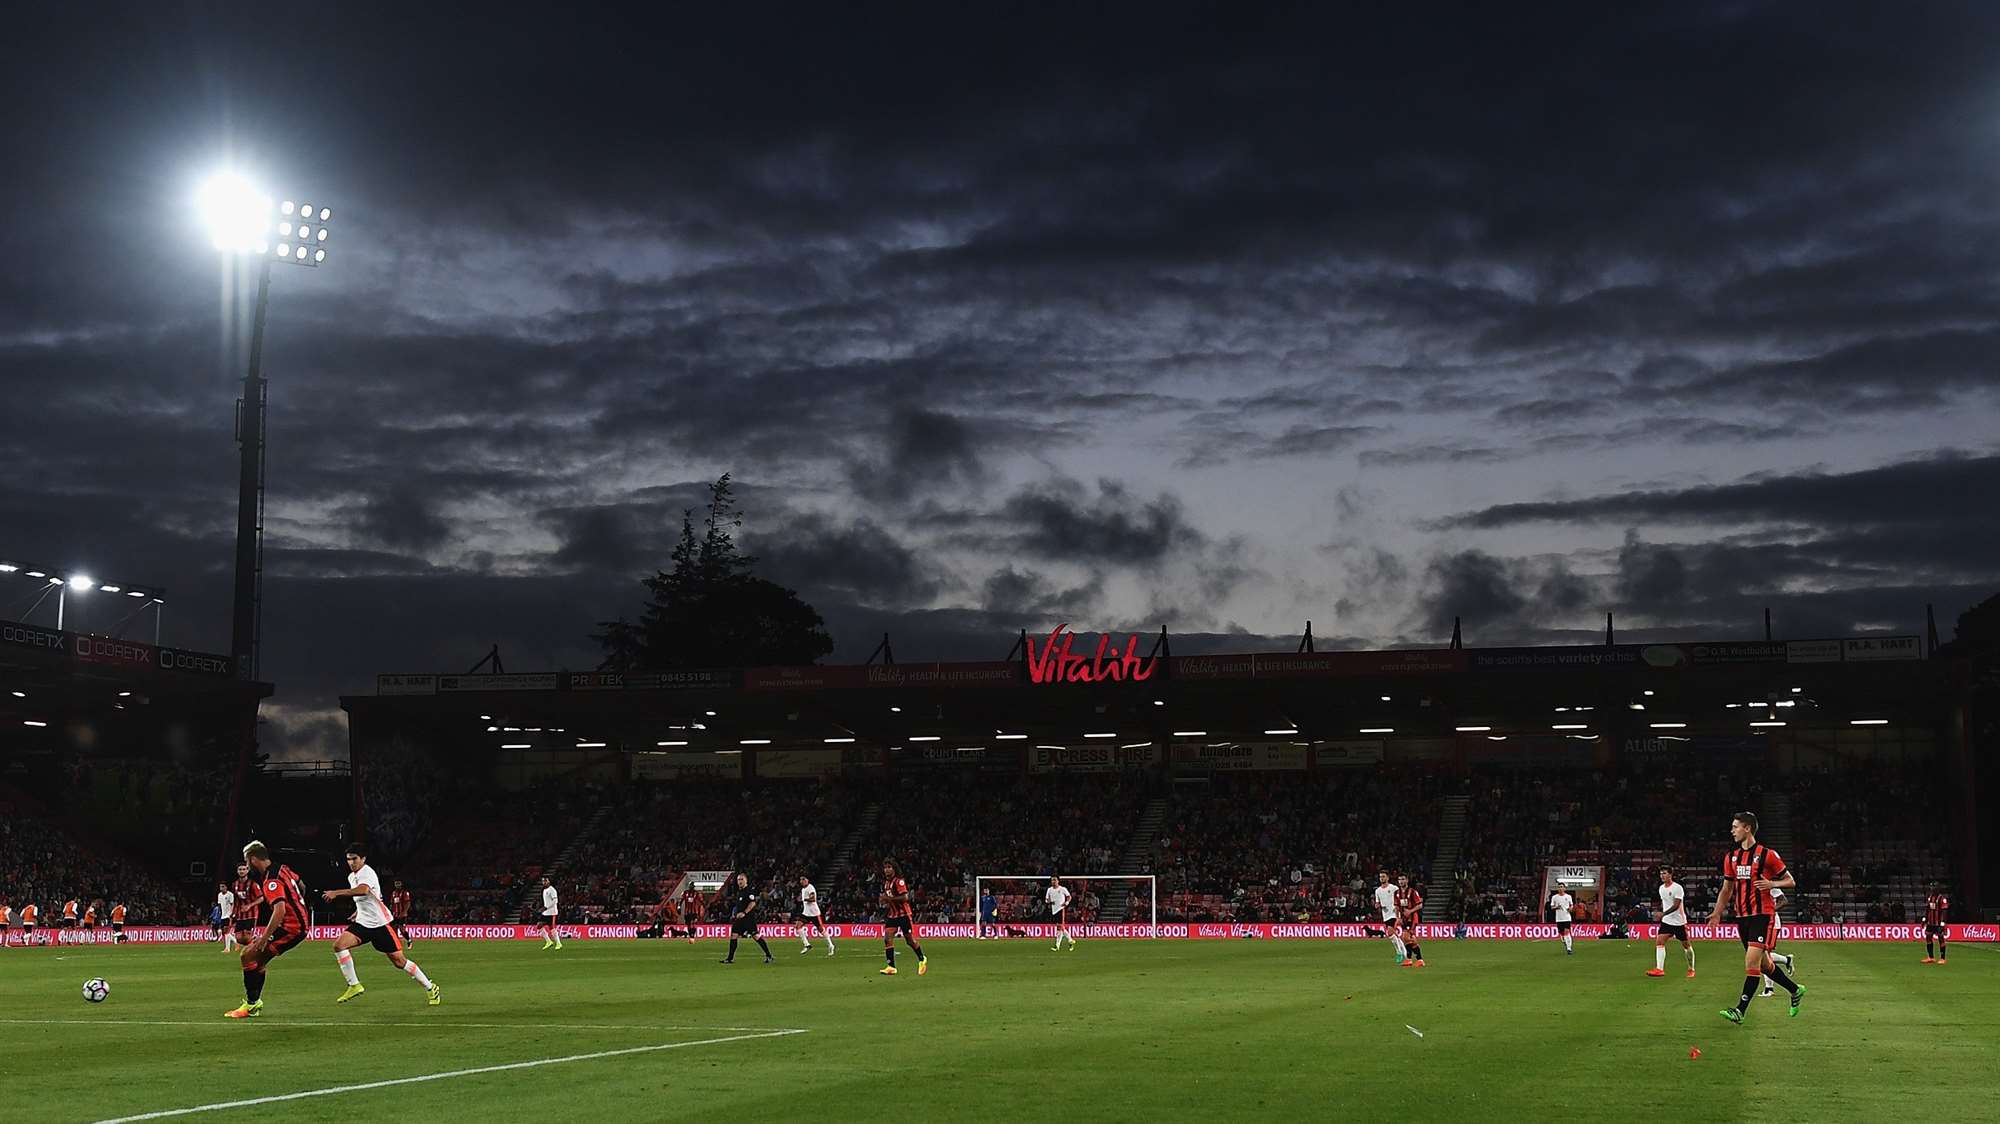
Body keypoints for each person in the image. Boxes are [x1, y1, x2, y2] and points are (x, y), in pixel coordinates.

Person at [1708, 811, 1804, 1024]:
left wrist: (1772, 884)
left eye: (1735, 827)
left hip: (1762, 915)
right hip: (1742, 917)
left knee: (1751, 962)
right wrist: (1717, 912)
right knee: (1764, 965)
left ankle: (1740, 1010)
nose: (1732, 831)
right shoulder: (1731, 857)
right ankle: (1795, 990)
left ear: (1747, 828)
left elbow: (1790, 881)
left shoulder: (1767, 855)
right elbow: (1726, 889)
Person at [321, 843, 439, 1006]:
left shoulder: (367, 872)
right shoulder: (351, 876)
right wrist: (358, 911)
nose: (351, 862)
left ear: (363, 859)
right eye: (348, 859)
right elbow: (369, 897)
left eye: (354, 859)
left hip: (380, 925)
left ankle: (430, 987)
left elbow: (363, 890)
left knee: (399, 962)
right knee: (339, 945)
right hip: (363, 923)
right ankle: (354, 985)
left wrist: (336, 893)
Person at [227, 840, 311, 1019]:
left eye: (247, 860)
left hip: (292, 928)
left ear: (253, 859)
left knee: (247, 955)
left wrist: (265, 937)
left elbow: (279, 910)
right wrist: (298, 906)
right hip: (297, 924)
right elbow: (301, 885)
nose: (247, 865)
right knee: (258, 961)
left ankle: (251, 1005)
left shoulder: (270, 880)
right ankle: (253, 1004)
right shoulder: (283, 868)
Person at [877, 860, 928, 976]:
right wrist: (884, 901)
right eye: (885, 867)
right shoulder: (886, 883)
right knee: (887, 938)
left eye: (889, 867)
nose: (887, 869)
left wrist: (888, 899)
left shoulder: (899, 882)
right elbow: (889, 899)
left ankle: (922, 958)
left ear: (894, 868)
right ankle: (891, 967)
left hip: (904, 914)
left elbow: (905, 897)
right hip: (893, 915)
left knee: (909, 940)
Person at [1648, 866, 1694, 978]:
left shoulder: (1677, 888)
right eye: (1660, 874)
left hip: (1679, 922)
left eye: (1664, 873)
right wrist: (1662, 914)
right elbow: (1666, 903)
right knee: (1659, 942)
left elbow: (1676, 905)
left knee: (1686, 945)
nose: (1662, 876)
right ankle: (1659, 969)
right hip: (1667, 921)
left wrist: (1663, 914)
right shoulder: (1661, 888)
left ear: (1670, 874)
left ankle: (1691, 968)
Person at [718, 873, 773, 964]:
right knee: (734, 935)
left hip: (748, 919)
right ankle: (730, 958)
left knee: (756, 936)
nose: (739, 881)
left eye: (741, 879)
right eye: (738, 880)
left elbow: (753, 903)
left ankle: (769, 956)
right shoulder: (739, 891)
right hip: (739, 919)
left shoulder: (749, 891)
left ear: (746, 880)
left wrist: (744, 912)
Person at [1760, 888, 1798, 997]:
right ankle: (1786, 960)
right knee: (1762, 954)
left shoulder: (1770, 886)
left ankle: (1769, 988)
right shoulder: (1753, 886)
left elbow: (1784, 900)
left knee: (1764, 954)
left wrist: (1771, 910)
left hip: (1772, 924)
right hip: (1761, 923)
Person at [796, 875, 834, 956]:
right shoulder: (803, 889)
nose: (802, 881)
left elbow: (813, 899)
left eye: (803, 879)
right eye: (801, 880)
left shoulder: (810, 888)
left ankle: (831, 945)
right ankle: (807, 945)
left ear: (807, 880)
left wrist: (805, 899)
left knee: (821, 930)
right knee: (798, 926)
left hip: (814, 913)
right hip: (806, 913)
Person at [1374, 871, 1405, 964]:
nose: (1382, 878)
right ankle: (1404, 952)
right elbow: (1377, 902)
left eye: (1383, 877)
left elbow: (1400, 898)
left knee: (1390, 933)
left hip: (1394, 913)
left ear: (1388, 878)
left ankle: (1399, 953)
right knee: (1393, 935)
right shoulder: (1377, 891)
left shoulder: (1394, 888)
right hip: (1386, 915)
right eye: (1380, 877)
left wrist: (1401, 911)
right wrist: (1377, 905)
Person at [1395, 876, 1424, 967]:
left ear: (1407, 880)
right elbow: (1396, 907)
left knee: (1405, 937)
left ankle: (1409, 959)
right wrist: (1398, 918)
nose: (1401, 881)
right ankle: (1420, 960)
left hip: (1412, 918)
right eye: (1399, 879)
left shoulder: (1412, 892)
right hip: (1403, 919)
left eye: (1403, 879)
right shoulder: (1397, 893)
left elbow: (1420, 905)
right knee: (1412, 940)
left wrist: (1410, 911)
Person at [231, 863, 259, 953]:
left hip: (252, 914)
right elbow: (236, 900)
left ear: (247, 870)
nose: (242, 871)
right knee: (239, 938)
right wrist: (233, 912)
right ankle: (256, 940)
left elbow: (261, 898)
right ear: (237, 871)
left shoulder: (253, 884)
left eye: (243, 869)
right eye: (240, 869)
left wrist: (249, 905)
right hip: (240, 914)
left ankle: (251, 953)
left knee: (247, 937)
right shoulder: (234, 884)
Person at [1922, 883, 1950, 964]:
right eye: (1931, 887)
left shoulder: (1942, 898)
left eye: (1933, 888)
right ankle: (1931, 957)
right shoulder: (1930, 897)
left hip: (1938, 923)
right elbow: (1927, 909)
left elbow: (1945, 912)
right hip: (1931, 922)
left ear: (1938, 889)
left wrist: (1942, 923)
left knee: (1941, 939)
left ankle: (1942, 958)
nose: (1932, 889)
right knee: (1928, 937)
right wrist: (1925, 919)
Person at [1046, 875, 1075, 951]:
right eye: (1052, 880)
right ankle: (1070, 940)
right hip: (1054, 910)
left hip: (1061, 909)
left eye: (1055, 880)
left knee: (1059, 927)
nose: (1053, 881)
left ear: (1058, 881)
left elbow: (1069, 896)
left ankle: (1057, 945)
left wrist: (1066, 903)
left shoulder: (1062, 889)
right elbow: (1046, 900)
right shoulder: (1049, 890)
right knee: (1060, 928)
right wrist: (1049, 901)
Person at [1549, 887, 1576, 956]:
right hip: (1559, 918)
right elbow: (1552, 907)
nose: (1560, 888)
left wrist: (1570, 908)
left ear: (1564, 888)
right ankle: (1565, 941)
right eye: (1559, 887)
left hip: (1567, 917)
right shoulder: (1554, 897)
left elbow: (1571, 905)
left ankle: (1569, 949)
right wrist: (1557, 907)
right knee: (1562, 933)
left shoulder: (1568, 896)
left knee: (1567, 932)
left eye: (1562, 887)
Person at [388, 879, 414, 948]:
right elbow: (392, 903)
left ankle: (409, 940)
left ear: (401, 884)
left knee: (402, 930)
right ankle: (396, 944)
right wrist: (390, 911)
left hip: (402, 914)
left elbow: (408, 903)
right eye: (396, 883)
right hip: (394, 915)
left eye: (398, 883)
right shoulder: (393, 893)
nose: (397, 885)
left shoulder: (405, 893)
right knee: (393, 929)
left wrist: (404, 912)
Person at [539, 876, 562, 950]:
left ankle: (558, 943)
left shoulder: (552, 890)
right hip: (546, 912)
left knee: (552, 928)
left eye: (545, 881)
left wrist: (546, 907)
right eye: (543, 881)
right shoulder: (544, 890)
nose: (544, 882)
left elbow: (555, 901)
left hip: (552, 912)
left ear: (549, 881)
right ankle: (549, 942)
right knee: (539, 925)